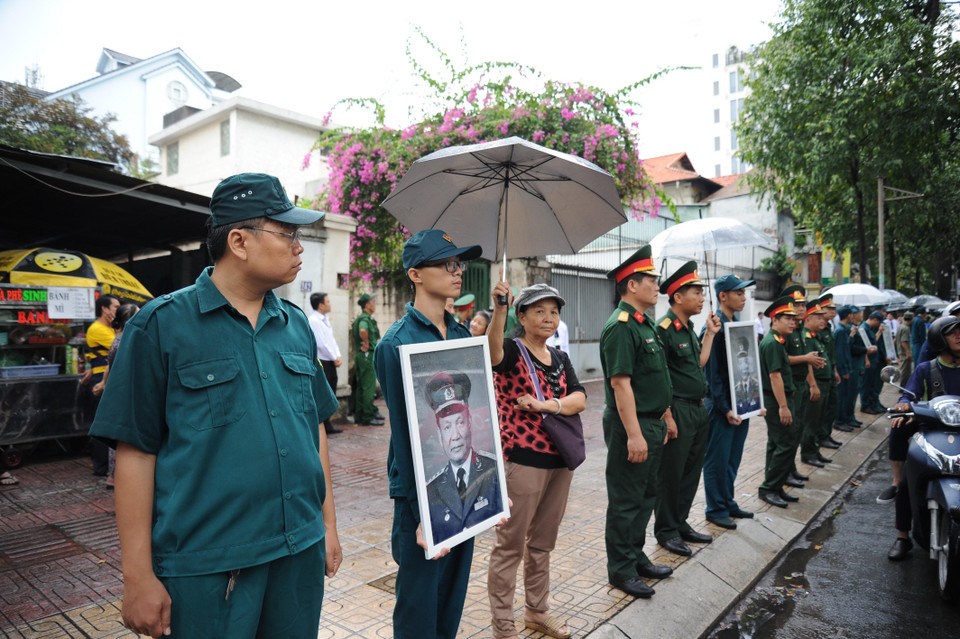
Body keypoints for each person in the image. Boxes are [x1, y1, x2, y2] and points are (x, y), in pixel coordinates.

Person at [89, 172, 341, 638]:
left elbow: (314, 428)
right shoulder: (161, 326)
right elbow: (136, 452)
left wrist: (326, 525)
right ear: (240, 241)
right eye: (287, 233)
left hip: (298, 552)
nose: (298, 246)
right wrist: (138, 577)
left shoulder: (295, 326)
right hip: (208, 566)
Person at [374, 229, 486, 639]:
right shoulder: (395, 343)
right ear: (416, 274)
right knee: (418, 607)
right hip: (421, 496)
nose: (457, 272)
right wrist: (423, 514)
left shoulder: (460, 335)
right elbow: (404, 437)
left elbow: (476, 416)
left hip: (461, 489)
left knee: (452, 598)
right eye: (446, 264)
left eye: (459, 264)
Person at [486, 283, 586, 639]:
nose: (548, 318)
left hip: (560, 461)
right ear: (522, 316)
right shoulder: (512, 351)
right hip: (523, 462)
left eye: (554, 312)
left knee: (543, 542)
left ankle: (537, 611)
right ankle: (502, 624)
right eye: (539, 311)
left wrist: (545, 405)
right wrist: (499, 309)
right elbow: (491, 350)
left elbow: (580, 399)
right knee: (510, 545)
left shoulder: (560, 358)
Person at [599, 245, 674, 599]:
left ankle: (636, 556)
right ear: (631, 285)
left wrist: (666, 416)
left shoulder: (645, 325)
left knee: (646, 496)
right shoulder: (621, 327)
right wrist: (634, 435)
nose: (657, 286)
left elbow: (656, 378)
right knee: (627, 500)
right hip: (633, 425)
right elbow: (620, 383)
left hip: (653, 422)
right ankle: (621, 570)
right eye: (652, 281)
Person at [651, 261, 720, 557]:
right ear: (678, 296)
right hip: (677, 409)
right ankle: (666, 530)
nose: (702, 297)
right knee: (672, 473)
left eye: (702, 292)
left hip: (697, 409)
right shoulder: (664, 329)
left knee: (691, 471)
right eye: (696, 292)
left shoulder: (689, 329)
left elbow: (698, 364)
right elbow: (660, 374)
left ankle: (680, 523)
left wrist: (710, 335)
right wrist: (667, 415)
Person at [887, 315, 960, 560]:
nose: (959, 336)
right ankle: (903, 536)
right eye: (952, 332)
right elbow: (908, 395)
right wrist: (903, 405)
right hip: (932, 433)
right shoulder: (926, 369)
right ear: (940, 338)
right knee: (909, 481)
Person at [702, 274, 758, 529]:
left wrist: (753, 401)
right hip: (721, 407)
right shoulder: (713, 328)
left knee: (732, 458)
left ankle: (728, 501)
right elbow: (712, 375)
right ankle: (715, 508)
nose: (743, 298)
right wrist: (725, 408)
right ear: (723, 296)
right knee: (717, 459)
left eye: (744, 293)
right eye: (738, 293)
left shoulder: (737, 326)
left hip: (740, 404)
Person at [424, 371, 501, 545]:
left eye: (460, 422)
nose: (455, 435)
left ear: (470, 423)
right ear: (439, 435)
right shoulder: (431, 490)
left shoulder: (493, 471)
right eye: (447, 427)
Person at [757, 296, 800, 508]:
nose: (793, 322)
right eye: (788, 318)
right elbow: (775, 376)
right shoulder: (772, 343)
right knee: (786, 443)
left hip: (779, 400)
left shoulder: (777, 341)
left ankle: (775, 486)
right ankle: (769, 487)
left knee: (776, 443)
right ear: (775, 320)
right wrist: (783, 406)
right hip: (776, 401)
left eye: (794, 319)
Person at [780, 285, 827, 480]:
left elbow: (805, 358)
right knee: (787, 434)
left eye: (802, 304)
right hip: (788, 386)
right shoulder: (785, 330)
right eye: (797, 304)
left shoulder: (799, 329)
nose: (801, 308)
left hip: (800, 385)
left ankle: (790, 469)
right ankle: (784, 472)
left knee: (797, 429)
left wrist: (811, 380)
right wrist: (807, 359)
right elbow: (784, 358)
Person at [92, 303, 140, 489]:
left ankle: (113, 476)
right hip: (123, 391)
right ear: (131, 320)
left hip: (118, 390)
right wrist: (104, 384)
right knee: (121, 435)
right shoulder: (124, 340)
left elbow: (109, 368)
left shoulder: (119, 339)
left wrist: (105, 384)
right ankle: (114, 477)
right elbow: (111, 368)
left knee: (118, 434)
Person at [799, 298, 839, 466]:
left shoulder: (816, 337)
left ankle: (814, 450)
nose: (822, 320)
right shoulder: (806, 338)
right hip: (816, 383)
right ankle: (808, 453)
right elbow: (807, 364)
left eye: (823, 317)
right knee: (811, 421)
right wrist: (813, 385)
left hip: (824, 382)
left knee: (818, 419)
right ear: (808, 319)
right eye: (818, 317)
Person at [85, 293, 120, 477]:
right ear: (104, 309)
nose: (117, 310)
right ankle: (101, 467)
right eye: (115, 307)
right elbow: (120, 345)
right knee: (101, 424)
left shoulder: (109, 329)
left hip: (105, 381)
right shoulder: (98, 329)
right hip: (100, 384)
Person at [309, 291, 344, 434]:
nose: (330, 304)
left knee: (332, 389)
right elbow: (321, 344)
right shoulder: (314, 321)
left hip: (330, 360)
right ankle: (324, 423)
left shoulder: (325, 319)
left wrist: (338, 355)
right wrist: (333, 356)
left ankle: (328, 422)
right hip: (323, 360)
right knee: (325, 391)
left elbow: (331, 340)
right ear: (320, 305)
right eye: (327, 302)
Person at [352, 293, 383, 426]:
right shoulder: (364, 319)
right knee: (368, 386)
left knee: (361, 386)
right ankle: (367, 416)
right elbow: (363, 330)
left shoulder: (363, 318)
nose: (374, 305)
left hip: (360, 356)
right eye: (372, 302)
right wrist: (366, 343)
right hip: (366, 355)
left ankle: (360, 414)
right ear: (367, 305)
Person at [859, 311, 889, 414]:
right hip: (869, 361)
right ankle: (865, 405)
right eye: (878, 322)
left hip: (874, 360)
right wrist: (866, 360)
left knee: (872, 384)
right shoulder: (863, 328)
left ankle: (873, 404)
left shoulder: (870, 329)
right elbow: (865, 346)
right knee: (866, 385)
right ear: (875, 320)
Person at [895, 311, 914, 388]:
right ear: (911, 319)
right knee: (905, 371)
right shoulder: (905, 328)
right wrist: (908, 352)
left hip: (900, 351)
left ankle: (904, 385)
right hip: (904, 352)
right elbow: (903, 342)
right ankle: (903, 386)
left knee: (904, 369)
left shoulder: (900, 326)